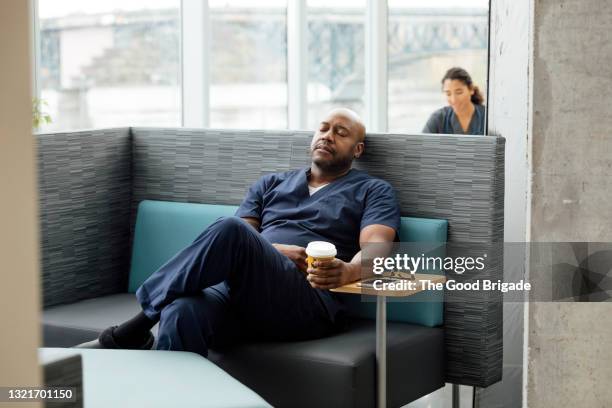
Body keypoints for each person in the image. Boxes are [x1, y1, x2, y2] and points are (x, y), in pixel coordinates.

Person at [95, 108, 400, 357]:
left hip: (306, 301)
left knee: (231, 228)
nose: (327, 136)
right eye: (323, 129)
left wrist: (349, 270)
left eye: (340, 132)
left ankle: (140, 323)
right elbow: (242, 238)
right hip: (241, 297)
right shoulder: (271, 183)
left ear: (357, 149)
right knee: (181, 310)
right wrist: (274, 251)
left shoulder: (373, 190)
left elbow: (377, 246)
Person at [422, 67, 485, 135]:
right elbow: (421, 144)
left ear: (471, 89)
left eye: (459, 92)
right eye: (448, 94)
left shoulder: (487, 116)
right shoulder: (438, 118)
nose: (453, 100)